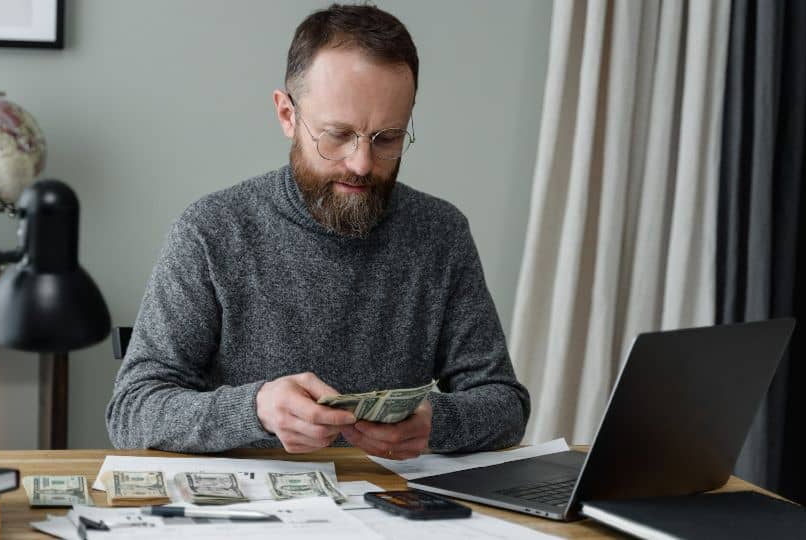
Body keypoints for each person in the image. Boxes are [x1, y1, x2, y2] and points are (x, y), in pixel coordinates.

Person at [106, 3, 529, 460]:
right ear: (287, 115)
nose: (362, 163)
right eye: (337, 134)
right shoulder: (210, 231)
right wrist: (255, 410)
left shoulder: (440, 234)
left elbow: (505, 404)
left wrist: (436, 424)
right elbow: (132, 410)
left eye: (387, 138)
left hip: (391, 510)